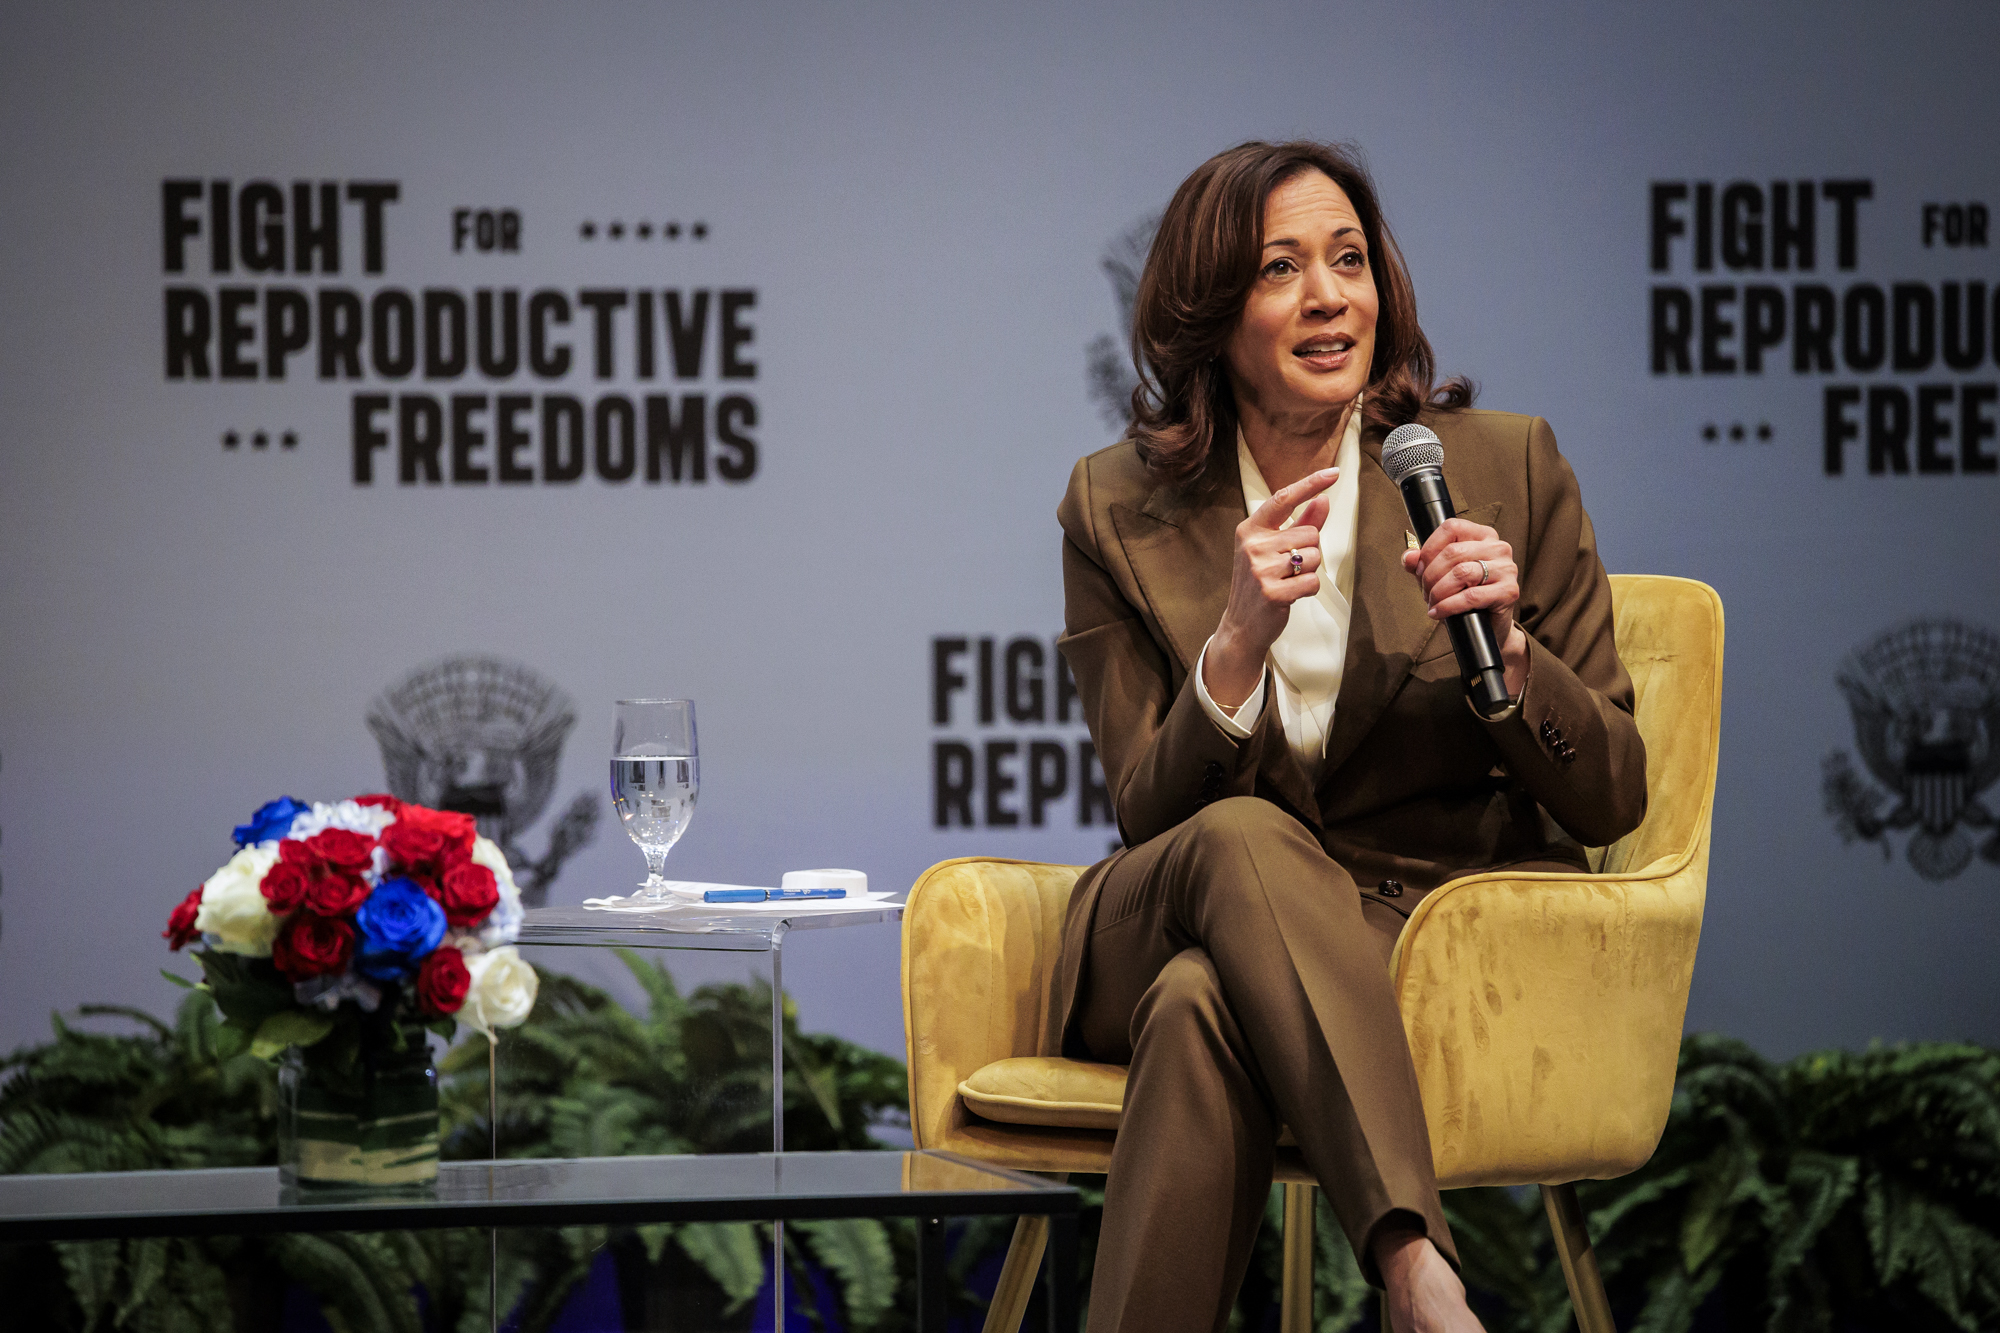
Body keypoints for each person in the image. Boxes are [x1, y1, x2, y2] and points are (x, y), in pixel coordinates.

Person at [1052, 140, 1648, 1333]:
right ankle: (1417, 1272)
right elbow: (1142, 808)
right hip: (1166, 891)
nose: (1329, 296)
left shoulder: (1500, 467)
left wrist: (1515, 664)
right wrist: (1231, 647)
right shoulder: (1114, 505)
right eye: (1281, 269)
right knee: (1235, 839)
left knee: (1196, 1009)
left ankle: (1398, 1266)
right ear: (1210, 314)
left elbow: (1614, 795)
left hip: (1406, 931)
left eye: (1348, 259)